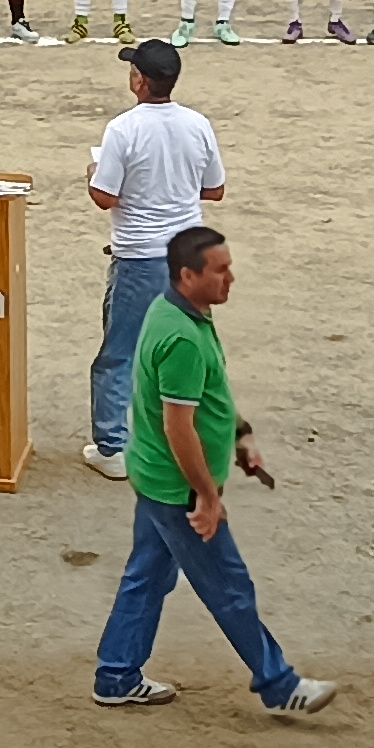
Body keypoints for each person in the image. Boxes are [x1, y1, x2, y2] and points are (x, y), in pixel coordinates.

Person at [93, 225, 336, 717]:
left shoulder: (176, 311)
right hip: (177, 489)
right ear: (188, 275)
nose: (231, 278)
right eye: (220, 270)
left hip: (155, 476)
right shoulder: (182, 337)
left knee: (147, 576)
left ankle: (116, 675)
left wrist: (239, 435)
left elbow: (211, 394)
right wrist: (206, 496)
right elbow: (179, 427)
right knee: (229, 587)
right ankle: (279, 685)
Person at [83, 39, 224, 481]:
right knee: (186, 349)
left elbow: (105, 196)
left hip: (142, 257)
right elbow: (214, 189)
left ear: (139, 81)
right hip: (190, 257)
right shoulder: (197, 124)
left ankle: (112, 446)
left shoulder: (123, 129)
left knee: (121, 353)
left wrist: (92, 175)